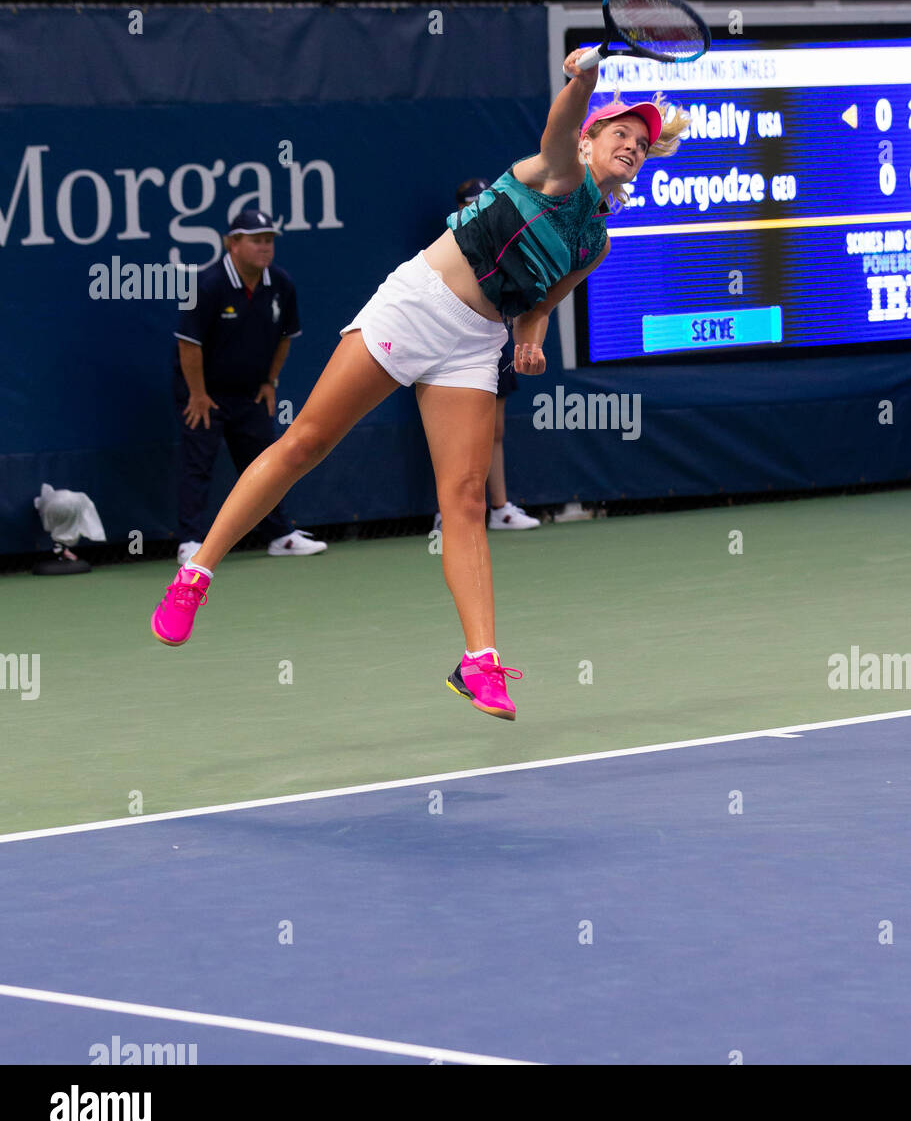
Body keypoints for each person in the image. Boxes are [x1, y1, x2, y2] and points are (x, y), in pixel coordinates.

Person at [150, 50, 688, 723]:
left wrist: (527, 342)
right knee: (306, 443)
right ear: (588, 139)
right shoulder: (554, 169)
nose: (631, 147)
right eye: (619, 134)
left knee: (463, 499)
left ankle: (479, 662)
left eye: (641, 143)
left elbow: (540, 303)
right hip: (418, 307)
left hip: (475, 343)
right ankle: (195, 575)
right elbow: (562, 121)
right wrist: (582, 79)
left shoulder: (595, 243)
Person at [172, 208, 326, 564]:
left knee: (264, 463)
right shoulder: (206, 285)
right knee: (198, 465)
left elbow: (286, 337)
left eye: (269, 241)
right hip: (203, 394)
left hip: (250, 392)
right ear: (233, 244)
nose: (265, 247)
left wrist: (269, 381)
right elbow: (188, 344)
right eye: (256, 240)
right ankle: (190, 542)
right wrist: (196, 394)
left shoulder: (281, 285)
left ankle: (279, 535)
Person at [431, 177, 541, 534]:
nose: (477, 209)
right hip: (451, 346)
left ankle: (499, 508)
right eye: (469, 204)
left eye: (482, 202)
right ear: (460, 209)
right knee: (454, 432)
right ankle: (448, 512)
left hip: (493, 343)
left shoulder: (506, 249)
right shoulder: (449, 248)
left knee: (494, 429)